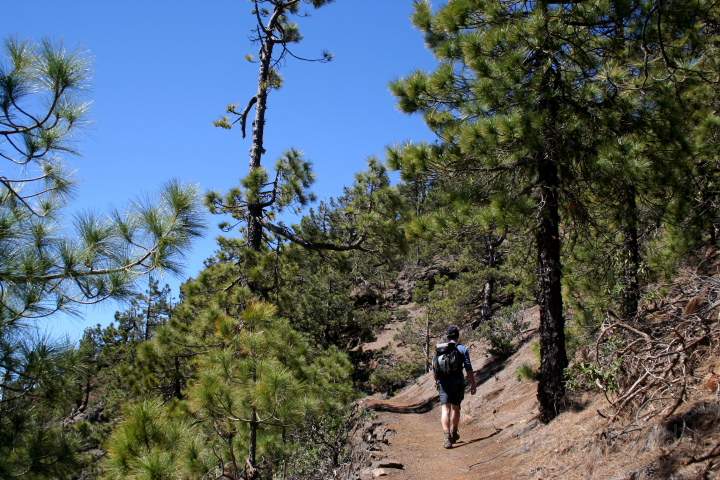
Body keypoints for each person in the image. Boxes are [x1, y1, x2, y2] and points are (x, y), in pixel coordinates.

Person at [433, 325, 477, 448]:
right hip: (457, 382)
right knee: (456, 408)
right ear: (458, 336)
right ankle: (454, 432)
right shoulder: (462, 349)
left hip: (443, 383)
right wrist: (473, 384)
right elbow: (468, 368)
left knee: (445, 410)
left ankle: (446, 438)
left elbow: (435, 368)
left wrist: (437, 381)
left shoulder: (440, 349)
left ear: (447, 336)